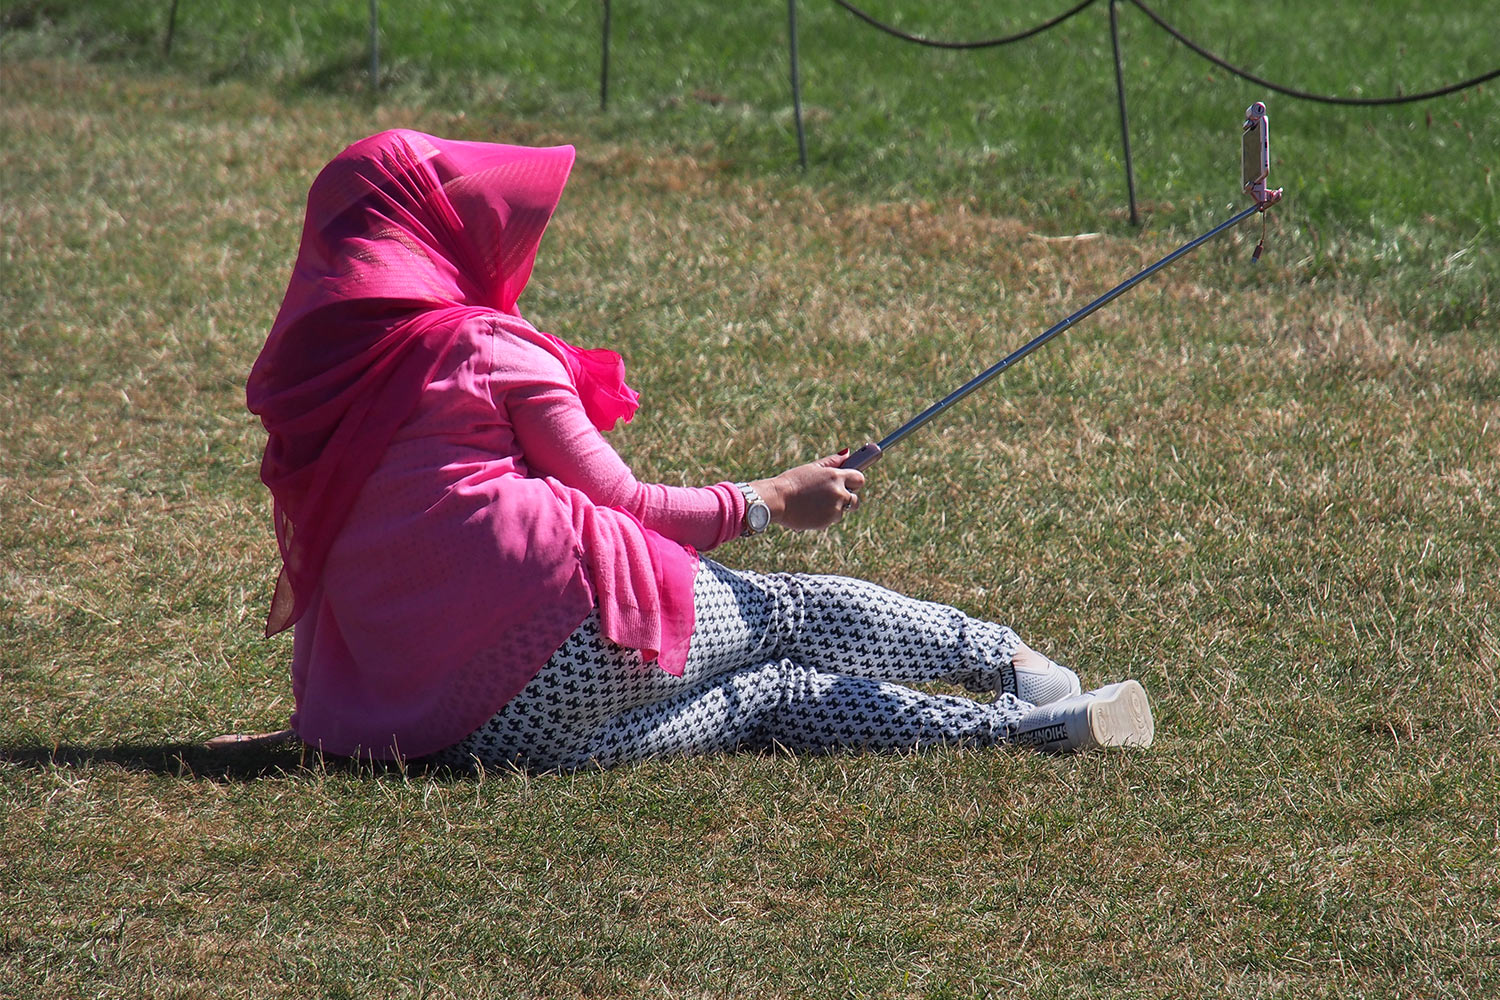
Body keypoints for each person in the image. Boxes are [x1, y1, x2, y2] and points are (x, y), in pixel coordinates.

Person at [244, 129, 1154, 771]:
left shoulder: (316, 391)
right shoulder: (483, 345)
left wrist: (325, 720)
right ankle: (1018, 667)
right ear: (431, 232)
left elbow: (324, 568)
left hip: (470, 737)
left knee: (767, 699)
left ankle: (1018, 731)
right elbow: (626, 504)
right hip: (573, 636)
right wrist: (770, 499)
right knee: (789, 614)